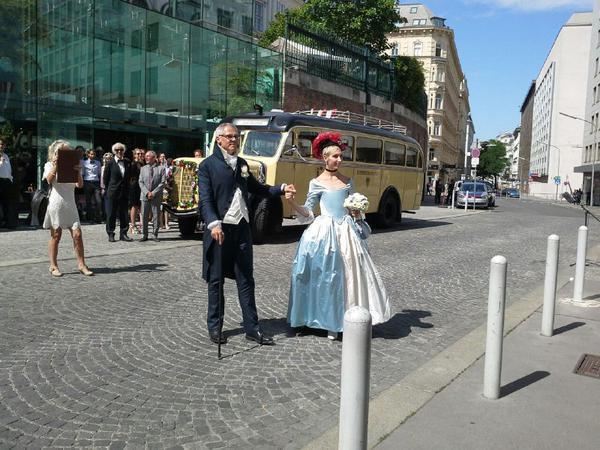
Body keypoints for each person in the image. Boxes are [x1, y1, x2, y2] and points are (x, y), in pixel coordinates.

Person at [197, 123, 296, 346]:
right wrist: (213, 223)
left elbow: (258, 188)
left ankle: (252, 328)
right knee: (216, 282)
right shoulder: (207, 166)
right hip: (219, 230)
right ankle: (215, 327)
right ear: (219, 139)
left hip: (242, 230)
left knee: (246, 281)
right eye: (229, 137)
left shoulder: (242, 164)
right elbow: (205, 199)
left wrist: (280, 189)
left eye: (237, 137)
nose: (234, 140)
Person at [285, 132, 390, 340]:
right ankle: (320, 319)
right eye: (335, 156)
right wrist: (291, 203)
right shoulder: (316, 183)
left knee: (350, 274)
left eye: (341, 156)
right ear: (325, 158)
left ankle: (346, 318)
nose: (339, 160)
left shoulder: (348, 181)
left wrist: (358, 211)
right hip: (324, 232)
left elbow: (353, 208)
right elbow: (308, 211)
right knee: (322, 276)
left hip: (347, 232)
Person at [42, 140, 93, 277]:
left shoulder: (72, 166)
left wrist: (78, 172)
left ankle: (82, 264)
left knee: (77, 235)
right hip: (56, 204)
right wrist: (57, 165)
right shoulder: (49, 165)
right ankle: (53, 266)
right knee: (56, 235)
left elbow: (80, 185)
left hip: (70, 204)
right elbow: (48, 180)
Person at [103, 142, 132, 242]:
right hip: (112, 193)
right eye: (117, 150)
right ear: (114, 151)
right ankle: (111, 233)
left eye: (121, 150)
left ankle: (123, 234)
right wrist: (109, 190)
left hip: (124, 192)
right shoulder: (110, 163)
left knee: (124, 214)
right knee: (111, 214)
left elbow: (129, 177)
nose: (119, 151)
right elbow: (105, 179)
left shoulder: (127, 162)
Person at [139, 150, 165, 242]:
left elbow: (162, 183)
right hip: (144, 196)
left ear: (154, 158)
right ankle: (144, 235)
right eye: (146, 156)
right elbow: (140, 182)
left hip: (156, 196)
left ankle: (155, 234)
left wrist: (153, 193)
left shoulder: (161, 169)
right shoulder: (143, 168)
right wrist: (147, 193)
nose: (146, 157)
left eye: (148, 156)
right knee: (144, 216)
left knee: (156, 216)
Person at [81, 148, 102, 222]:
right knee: (88, 201)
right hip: (87, 182)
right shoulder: (84, 162)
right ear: (88, 155)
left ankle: (98, 217)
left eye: (93, 154)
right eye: (91, 154)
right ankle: (90, 218)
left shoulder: (98, 163)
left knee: (98, 201)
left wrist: (100, 184)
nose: (92, 155)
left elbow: (99, 174)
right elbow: (82, 174)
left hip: (96, 182)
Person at [0, 138, 16, 229]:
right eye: (0, 144)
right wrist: (1, 162)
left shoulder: (6, 156)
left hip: (6, 182)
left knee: (6, 203)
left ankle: (7, 222)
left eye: (2, 144)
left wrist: (10, 178)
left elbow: (8, 169)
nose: (1, 146)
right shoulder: (3, 158)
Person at [128, 148, 145, 234]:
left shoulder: (143, 164)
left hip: (142, 187)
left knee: (142, 206)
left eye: (141, 154)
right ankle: (132, 225)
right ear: (134, 155)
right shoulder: (132, 164)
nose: (140, 155)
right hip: (134, 186)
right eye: (138, 154)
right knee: (134, 206)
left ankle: (142, 225)